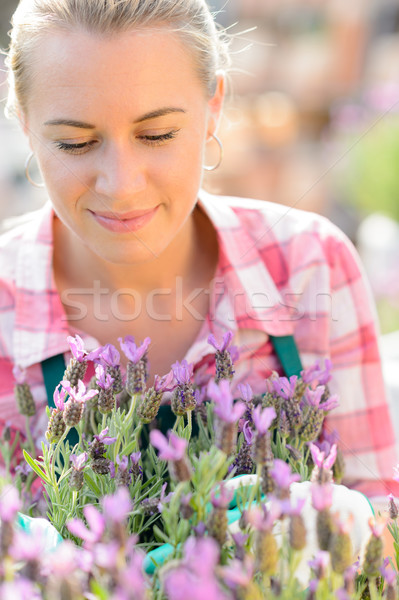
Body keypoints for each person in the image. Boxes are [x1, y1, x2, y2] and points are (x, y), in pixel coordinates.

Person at [0, 0, 397, 505]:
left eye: (158, 135)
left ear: (214, 108)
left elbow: (382, 527)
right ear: (24, 119)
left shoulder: (310, 263)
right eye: (75, 143)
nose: (121, 185)